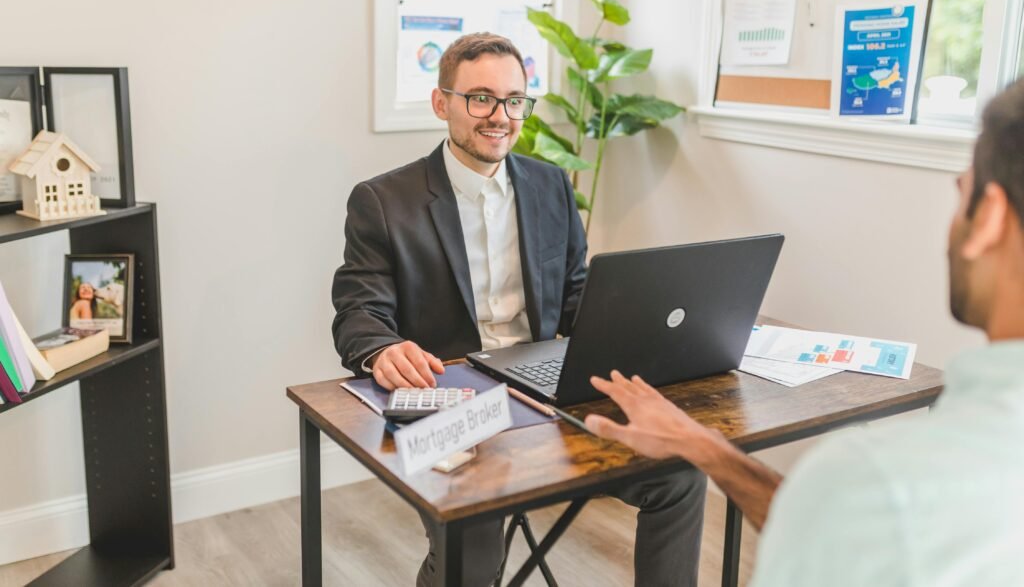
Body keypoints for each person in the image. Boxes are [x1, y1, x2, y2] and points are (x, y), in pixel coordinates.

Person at [583, 79, 1024, 585]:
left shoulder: (872, 482)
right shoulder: (878, 500)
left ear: (989, 218)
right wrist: (705, 447)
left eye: (961, 194)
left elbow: (840, 520)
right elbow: (835, 533)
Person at [332, 32, 707, 586]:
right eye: (480, 98)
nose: (500, 116)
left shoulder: (551, 185)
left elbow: (577, 297)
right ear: (442, 104)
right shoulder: (384, 201)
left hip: (547, 392)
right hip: (452, 399)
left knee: (679, 476)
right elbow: (358, 311)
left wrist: (637, 328)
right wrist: (383, 348)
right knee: (475, 536)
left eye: (513, 100)